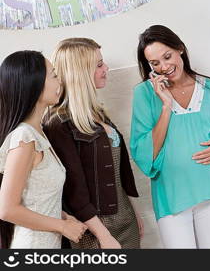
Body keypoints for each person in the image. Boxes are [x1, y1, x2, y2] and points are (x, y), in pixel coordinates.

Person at [131, 25, 210, 248]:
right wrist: (165, 106)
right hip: (171, 195)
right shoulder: (144, 94)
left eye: (167, 57)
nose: (164, 67)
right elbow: (144, 153)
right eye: (155, 63)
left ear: (180, 49)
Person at [43, 38, 143, 249]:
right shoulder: (58, 124)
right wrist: (104, 236)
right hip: (94, 230)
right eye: (98, 65)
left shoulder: (98, 113)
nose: (106, 68)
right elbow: (73, 190)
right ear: (79, 73)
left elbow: (119, 174)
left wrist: (134, 211)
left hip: (125, 219)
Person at [0, 50, 87, 249]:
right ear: (35, 84)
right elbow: (7, 209)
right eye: (54, 75)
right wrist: (62, 227)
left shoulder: (37, 133)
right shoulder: (24, 137)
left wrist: (64, 217)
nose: (60, 82)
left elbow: (35, 199)